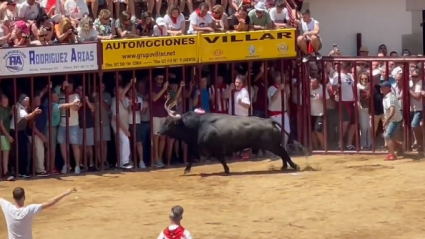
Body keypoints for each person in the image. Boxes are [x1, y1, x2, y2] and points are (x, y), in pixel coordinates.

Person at [0, 187, 77, 239]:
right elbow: (49, 203)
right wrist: (65, 193)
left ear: (13, 198)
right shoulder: (29, 210)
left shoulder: (7, 208)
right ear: (24, 197)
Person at [380, 81, 402, 160]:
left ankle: (392, 154)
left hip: (394, 120)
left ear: (388, 88)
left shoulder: (389, 97)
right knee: (390, 135)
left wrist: (387, 120)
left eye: (383, 87)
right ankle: (398, 146)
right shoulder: (389, 96)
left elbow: (392, 110)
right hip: (394, 119)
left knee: (387, 135)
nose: (381, 88)